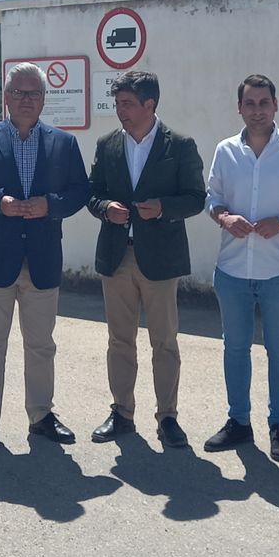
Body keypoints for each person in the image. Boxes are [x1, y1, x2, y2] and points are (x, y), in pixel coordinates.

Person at [0, 62, 90, 454]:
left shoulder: (63, 142)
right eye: (19, 92)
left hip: (42, 259)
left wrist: (52, 205)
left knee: (41, 345)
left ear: (45, 99)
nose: (27, 100)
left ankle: (41, 416)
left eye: (34, 93)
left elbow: (81, 191)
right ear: (6, 97)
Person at [204, 74, 279, 461]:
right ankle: (239, 422)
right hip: (233, 269)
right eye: (250, 104)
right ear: (239, 108)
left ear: (276, 105)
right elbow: (213, 199)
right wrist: (224, 219)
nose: (257, 111)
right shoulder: (226, 150)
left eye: (264, 103)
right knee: (235, 349)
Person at [85, 70, 207, 449]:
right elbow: (92, 193)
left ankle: (167, 417)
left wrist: (163, 209)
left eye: (127, 104)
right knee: (119, 340)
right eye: (118, 103)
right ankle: (122, 412)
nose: (120, 110)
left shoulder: (180, 145)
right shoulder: (107, 145)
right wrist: (106, 209)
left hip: (161, 259)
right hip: (117, 257)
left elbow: (196, 197)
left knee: (164, 342)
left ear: (150, 105)